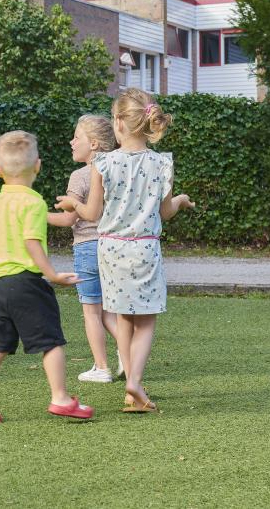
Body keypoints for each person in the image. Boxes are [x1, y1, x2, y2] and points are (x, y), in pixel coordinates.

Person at [57, 89, 194, 414]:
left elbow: (90, 214)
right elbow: (163, 213)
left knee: (124, 318)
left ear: (118, 123)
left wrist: (72, 202)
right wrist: (180, 201)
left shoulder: (103, 162)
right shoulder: (162, 163)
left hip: (110, 249)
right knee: (145, 322)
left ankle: (133, 391)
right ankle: (134, 382)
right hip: (144, 248)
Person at [0, 131, 93, 425]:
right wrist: (52, 275)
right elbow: (31, 241)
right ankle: (61, 398)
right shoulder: (33, 202)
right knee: (52, 341)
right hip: (26, 283)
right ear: (38, 166)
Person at [47, 114, 122, 383]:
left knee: (92, 310)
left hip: (87, 248)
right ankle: (126, 355)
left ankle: (102, 367)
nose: (71, 141)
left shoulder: (80, 176)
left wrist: (36, 216)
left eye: (76, 137)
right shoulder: (117, 171)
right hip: (114, 247)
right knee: (110, 310)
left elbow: (70, 218)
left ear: (92, 144)